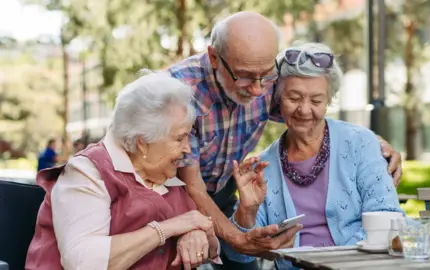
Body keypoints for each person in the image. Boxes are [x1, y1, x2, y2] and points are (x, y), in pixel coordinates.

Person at [168, 11, 403, 269]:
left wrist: (372, 142)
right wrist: (240, 233)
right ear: (214, 57)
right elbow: (193, 189)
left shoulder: (268, 81)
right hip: (172, 192)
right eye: (245, 76)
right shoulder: (179, 93)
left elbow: (309, 111)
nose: (258, 90)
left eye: (266, 75)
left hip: (222, 192)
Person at [222, 43, 405, 268]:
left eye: (316, 100)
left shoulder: (360, 144)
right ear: (278, 99)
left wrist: (330, 262)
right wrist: (247, 210)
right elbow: (240, 255)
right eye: (294, 98)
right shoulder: (264, 167)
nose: (305, 110)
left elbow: (388, 217)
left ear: (329, 100)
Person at [26, 73, 221, 270]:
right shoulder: (87, 173)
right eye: (180, 138)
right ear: (143, 143)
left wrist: (197, 234)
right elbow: (84, 263)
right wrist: (167, 229)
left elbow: (210, 250)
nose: (188, 148)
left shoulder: (167, 173)